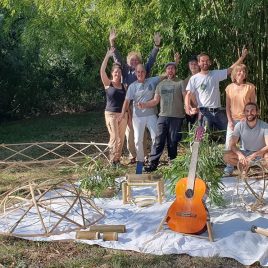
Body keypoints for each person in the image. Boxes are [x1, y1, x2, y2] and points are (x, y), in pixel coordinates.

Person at [109, 29, 161, 164]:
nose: (134, 62)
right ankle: (134, 156)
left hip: (145, 107)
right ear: (128, 62)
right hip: (129, 106)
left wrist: (156, 47)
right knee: (131, 134)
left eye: (136, 60)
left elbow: (151, 60)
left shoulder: (143, 71)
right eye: (131, 60)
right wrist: (112, 42)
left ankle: (143, 157)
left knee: (143, 134)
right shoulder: (126, 71)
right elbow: (117, 59)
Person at [138, 62, 185, 172]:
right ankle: (153, 164)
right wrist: (144, 104)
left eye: (172, 68)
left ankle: (172, 162)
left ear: (175, 70)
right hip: (162, 116)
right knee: (158, 140)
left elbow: (185, 97)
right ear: (166, 71)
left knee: (173, 141)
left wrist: (189, 107)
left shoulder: (181, 82)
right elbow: (155, 100)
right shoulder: (160, 84)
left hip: (176, 117)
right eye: (168, 68)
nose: (170, 70)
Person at [185, 48, 248, 130]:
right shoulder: (194, 78)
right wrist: (187, 108)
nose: (205, 62)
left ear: (210, 62)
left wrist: (242, 57)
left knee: (230, 131)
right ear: (199, 63)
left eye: (207, 60)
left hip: (218, 111)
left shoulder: (215, 74)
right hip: (204, 112)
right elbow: (188, 95)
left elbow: (230, 70)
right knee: (203, 137)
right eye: (203, 61)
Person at [119, 64, 165, 171]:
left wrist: (175, 63)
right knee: (137, 141)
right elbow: (127, 101)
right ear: (135, 73)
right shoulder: (132, 86)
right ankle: (140, 162)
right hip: (138, 117)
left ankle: (153, 161)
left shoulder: (152, 81)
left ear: (145, 73)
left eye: (142, 72)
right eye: (138, 72)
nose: (140, 74)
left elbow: (164, 75)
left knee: (156, 138)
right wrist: (122, 113)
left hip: (151, 115)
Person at [223, 64, 256, 175]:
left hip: (245, 121)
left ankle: (244, 169)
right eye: (239, 71)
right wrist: (230, 121)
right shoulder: (229, 88)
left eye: (243, 71)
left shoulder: (250, 87)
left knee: (245, 147)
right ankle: (229, 168)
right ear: (234, 74)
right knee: (229, 145)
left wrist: (248, 120)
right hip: (233, 121)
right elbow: (227, 107)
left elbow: (253, 106)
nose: (241, 73)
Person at [100, 47, 128, 166]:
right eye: (115, 72)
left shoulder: (124, 86)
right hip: (110, 114)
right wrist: (107, 56)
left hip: (122, 115)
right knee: (114, 137)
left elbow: (127, 102)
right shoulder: (108, 83)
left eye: (119, 72)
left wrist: (127, 115)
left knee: (121, 139)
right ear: (112, 73)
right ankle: (112, 160)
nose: (117, 74)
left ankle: (117, 160)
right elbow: (101, 71)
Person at [223, 102, 268, 172]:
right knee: (226, 156)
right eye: (247, 111)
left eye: (252, 110)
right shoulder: (239, 125)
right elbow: (232, 144)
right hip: (245, 153)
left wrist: (253, 155)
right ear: (244, 113)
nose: (249, 113)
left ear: (257, 112)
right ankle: (245, 166)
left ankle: (259, 169)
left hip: (260, 154)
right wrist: (240, 155)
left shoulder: (265, 126)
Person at [183, 55, 200, 128]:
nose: (193, 66)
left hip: (203, 108)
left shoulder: (204, 76)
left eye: (195, 64)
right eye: (191, 64)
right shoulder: (186, 81)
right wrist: (189, 107)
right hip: (191, 110)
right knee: (192, 130)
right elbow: (185, 96)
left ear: (199, 65)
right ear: (189, 66)